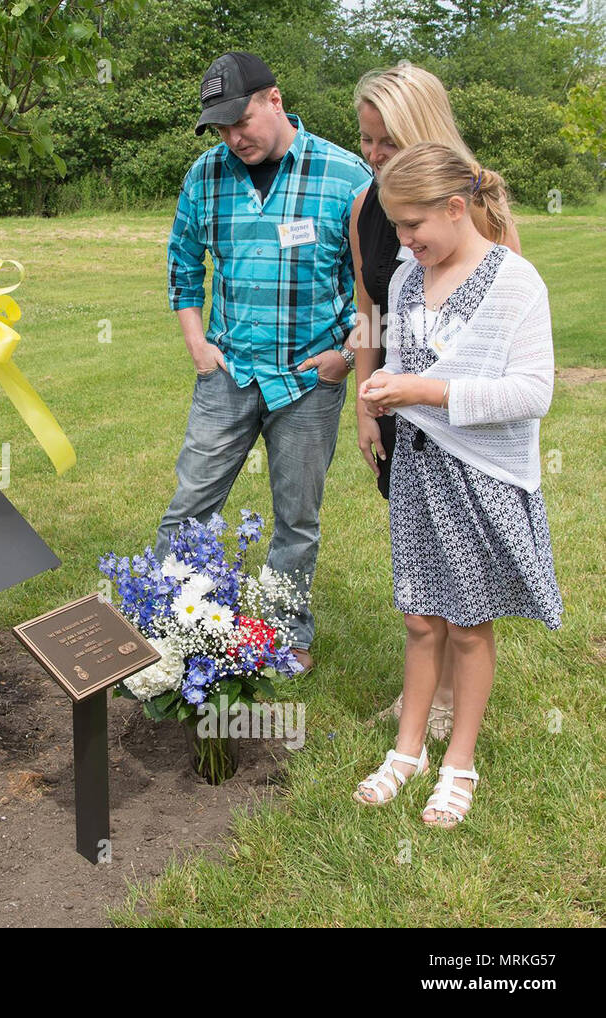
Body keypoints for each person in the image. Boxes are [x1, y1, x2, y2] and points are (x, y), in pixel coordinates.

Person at [352, 142, 561, 827]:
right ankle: (406, 749)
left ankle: (458, 761)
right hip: (418, 469)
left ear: (456, 206)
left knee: (469, 624)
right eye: (398, 228)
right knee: (419, 616)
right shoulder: (410, 278)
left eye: (414, 226)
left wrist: (426, 390)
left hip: (481, 476)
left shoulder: (515, 282)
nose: (404, 242)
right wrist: (384, 394)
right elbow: (403, 360)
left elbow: (533, 391)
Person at [156, 52, 372, 671]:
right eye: (220, 127)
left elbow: (376, 282)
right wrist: (198, 343)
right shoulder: (206, 176)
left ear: (274, 99)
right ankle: (173, 626)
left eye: (240, 120)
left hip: (309, 381)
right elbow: (182, 264)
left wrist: (347, 357)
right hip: (229, 375)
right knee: (190, 509)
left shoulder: (346, 175)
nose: (233, 137)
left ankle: (282, 636)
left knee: (296, 517)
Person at [350, 63, 522, 739]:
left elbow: (506, 326)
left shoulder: (474, 201)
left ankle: (450, 695)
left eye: (386, 140)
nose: (373, 155)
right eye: (365, 140)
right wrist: (366, 403)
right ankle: (426, 693)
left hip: (460, 413)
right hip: (399, 410)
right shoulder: (368, 207)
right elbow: (366, 308)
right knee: (420, 555)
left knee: (460, 557)